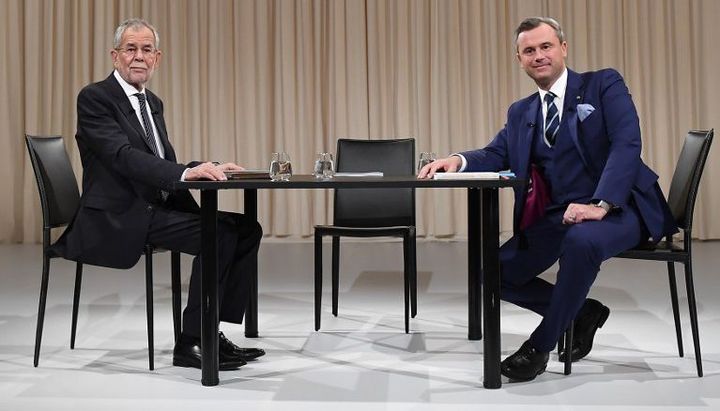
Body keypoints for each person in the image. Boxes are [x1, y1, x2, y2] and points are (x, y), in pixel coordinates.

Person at [419, 17, 678, 382]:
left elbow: (627, 144)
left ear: (563, 49)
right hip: (560, 213)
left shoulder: (603, 84)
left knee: (581, 240)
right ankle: (581, 313)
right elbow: (497, 153)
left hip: (622, 207)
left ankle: (539, 347)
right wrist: (457, 160)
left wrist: (601, 204)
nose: (538, 55)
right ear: (519, 59)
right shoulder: (521, 111)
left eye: (546, 47)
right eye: (529, 51)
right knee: (493, 273)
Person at [54, 18, 264, 371]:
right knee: (222, 233)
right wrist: (184, 174)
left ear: (157, 58)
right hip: (121, 215)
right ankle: (193, 341)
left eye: (146, 49)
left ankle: (208, 330)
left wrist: (205, 165)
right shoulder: (95, 97)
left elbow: (159, 159)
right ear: (114, 55)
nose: (139, 56)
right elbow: (123, 156)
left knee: (247, 229)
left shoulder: (152, 101)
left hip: (154, 206)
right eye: (130, 49)